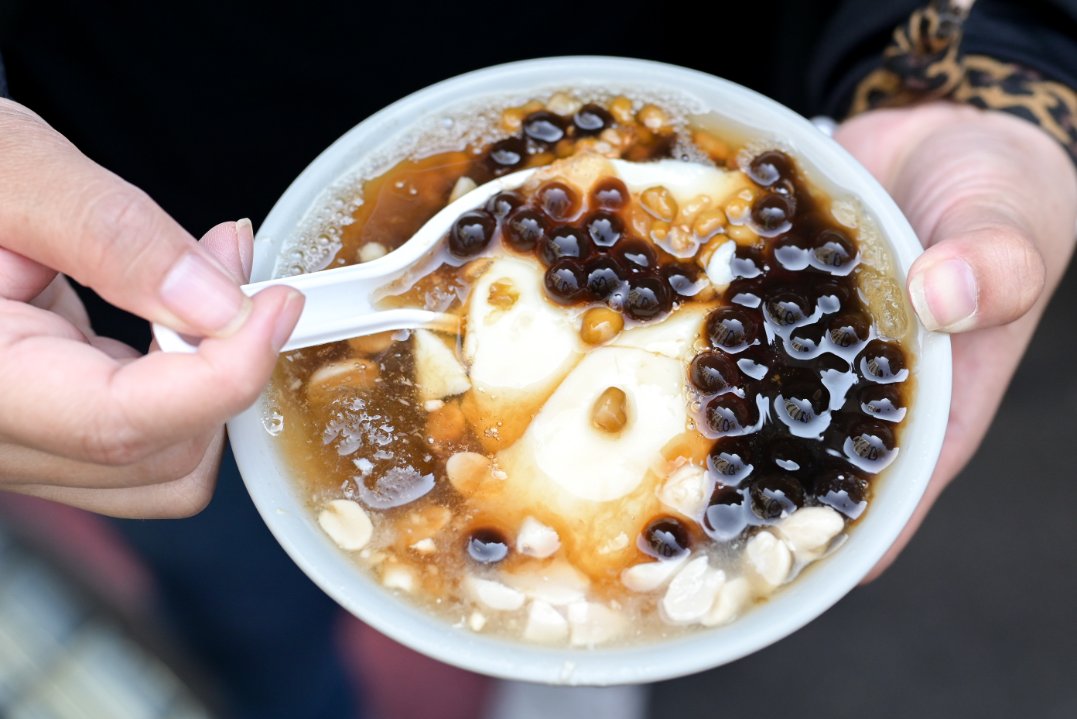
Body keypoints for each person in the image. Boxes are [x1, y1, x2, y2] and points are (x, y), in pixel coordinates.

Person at [0, 0, 1073, 716]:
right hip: (115, 266)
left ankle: (563, 653)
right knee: (239, 588)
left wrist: (982, 67)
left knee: (573, 638)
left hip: (723, 72)